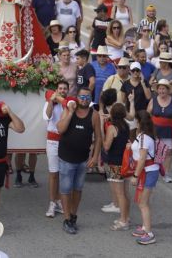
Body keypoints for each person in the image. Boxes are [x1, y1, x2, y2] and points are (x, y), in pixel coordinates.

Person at [57, 87, 101, 234]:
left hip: (83, 159)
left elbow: (99, 137)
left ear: (90, 99)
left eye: (87, 97)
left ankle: (73, 215)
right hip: (66, 158)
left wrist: (95, 157)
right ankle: (67, 218)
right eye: (82, 97)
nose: (84, 100)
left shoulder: (94, 115)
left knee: (78, 189)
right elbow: (60, 129)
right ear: (77, 97)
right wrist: (70, 113)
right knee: (66, 189)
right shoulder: (69, 110)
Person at [130, 113, 161, 245]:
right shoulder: (144, 136)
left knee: (143, 203)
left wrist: (135, 176)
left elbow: (142, 159)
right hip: (148, 171)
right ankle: (144, 228)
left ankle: (149, 233)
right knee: (143, 202)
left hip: (148, 172)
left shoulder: (143, 138)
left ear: (139, 122)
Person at [101, 103, 131, 230]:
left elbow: (107, 146)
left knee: (120, 194)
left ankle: (123, 221)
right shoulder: (126, 125)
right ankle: (125, 217)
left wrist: (102, 136)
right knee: (124, 193)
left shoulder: (112, 128)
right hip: (124, 162)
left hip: (114, 162)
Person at [147, 79, 172, 183]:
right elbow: (147, 114)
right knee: (155, 151)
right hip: (154, 130)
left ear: (168, 90)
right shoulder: (153, 100)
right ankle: (155, 170)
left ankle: (166, 173)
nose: (161, 91)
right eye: (160, 89)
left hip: (168, 130)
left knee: (168, 152)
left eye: (163, 89)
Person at [43, 81, 69, 218]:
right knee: (54, 173)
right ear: (57, 90)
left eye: (65, 88)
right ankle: (52, 202)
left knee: (64, 173)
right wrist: (51, 103)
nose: (63, 90)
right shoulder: (50, 102)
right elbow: (47, 117)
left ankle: (60, 201)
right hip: (53, 141)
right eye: (60, 88)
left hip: (66, 141)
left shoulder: (69, 104)